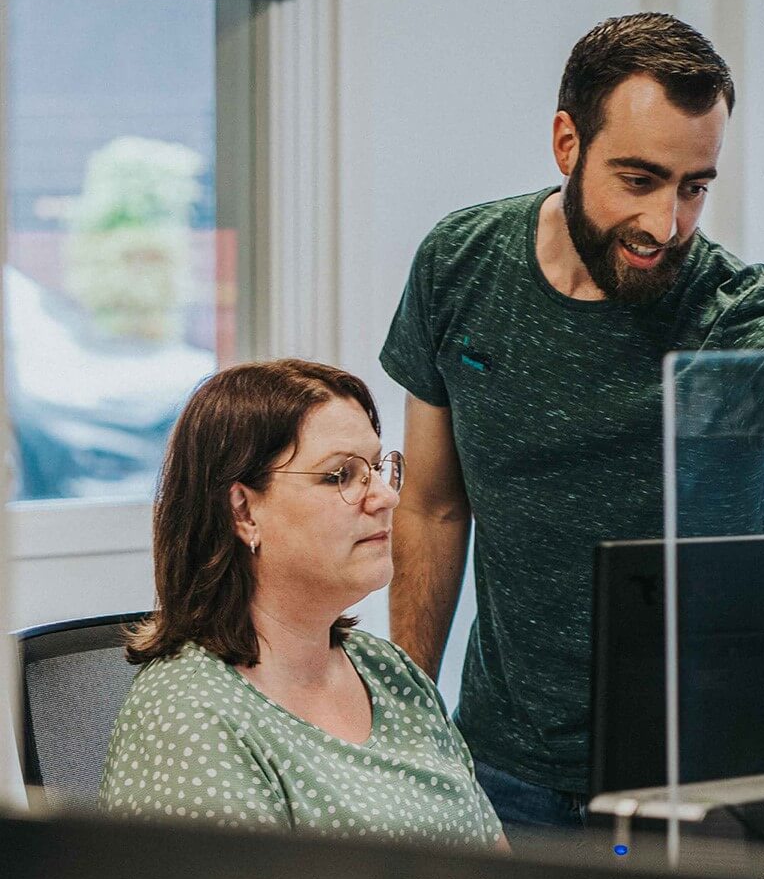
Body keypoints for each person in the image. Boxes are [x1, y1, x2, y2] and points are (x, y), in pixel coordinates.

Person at [379, 13, 764, 836]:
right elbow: (432, 506)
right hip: (503, 768)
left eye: (694, 186)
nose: (665, 224)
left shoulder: (734, 316)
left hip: (700, 780)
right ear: (568, 143)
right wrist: (410, 721)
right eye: (638, 179)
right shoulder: (460, 265)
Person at [100, 358, 506, 852]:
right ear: (243, 511)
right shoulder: (188, 716)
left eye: (378, 469)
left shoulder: (388, 670)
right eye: (342, 475)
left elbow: (497, 866)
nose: (384, 497)